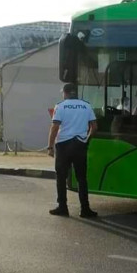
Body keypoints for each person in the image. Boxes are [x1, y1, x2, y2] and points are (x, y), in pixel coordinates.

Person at [46, 83, 98, 218]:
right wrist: (87, 139)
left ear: (65, 92)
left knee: (61, 178)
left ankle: (63, 207)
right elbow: (94, 126)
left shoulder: (60, 106)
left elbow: (55, 127)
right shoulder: (86, 105)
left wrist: (50, 147)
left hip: (63, 145)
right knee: (82, 178)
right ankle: (85, 209)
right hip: (80, 144)